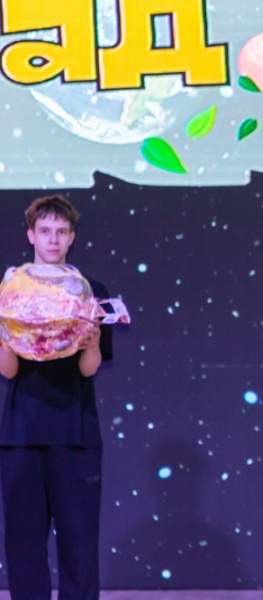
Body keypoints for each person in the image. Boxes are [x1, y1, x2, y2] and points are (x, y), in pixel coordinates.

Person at [0, 195, 113, 600]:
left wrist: (92, 341)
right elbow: (8, 370)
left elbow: (89, 368)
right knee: (24, 543)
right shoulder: (9, 291)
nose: (53, 239)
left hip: (75, 432)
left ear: (72, 238)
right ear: (31, 235)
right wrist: (5, 334)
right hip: (21, 435)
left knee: (79, 542)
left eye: (61, 232)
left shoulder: (90, 291)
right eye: (45, 231)